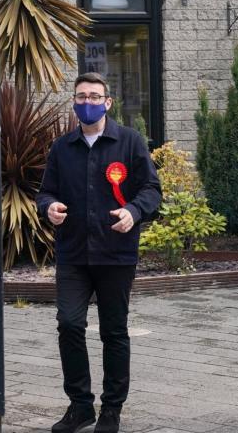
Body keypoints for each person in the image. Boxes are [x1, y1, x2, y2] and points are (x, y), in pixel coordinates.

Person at [37, 72, 162, 433]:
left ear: (107, 103)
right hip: (73, 254)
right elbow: (45, 192)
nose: (87, 103)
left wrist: (133, 211)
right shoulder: (62, 148)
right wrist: (49, 207)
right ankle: (80, 406)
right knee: (70, 324)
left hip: (115, 254)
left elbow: (152, 190)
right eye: (81, 97)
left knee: (114, 331)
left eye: (94, 97)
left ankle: (111, 409)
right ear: (74, 102)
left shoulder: (130, 142)